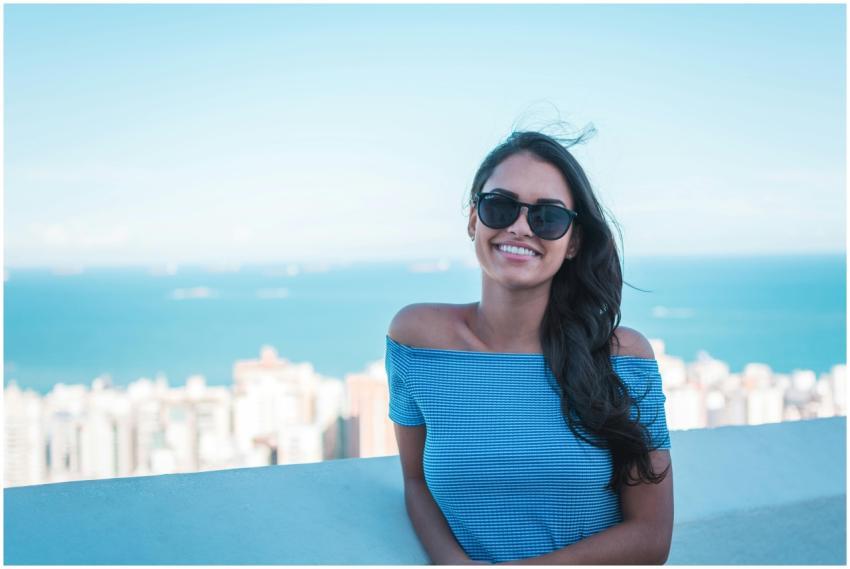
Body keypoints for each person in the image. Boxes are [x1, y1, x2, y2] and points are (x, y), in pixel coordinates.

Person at [385, 129, 673, 565]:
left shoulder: (623, 359)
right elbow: (415, 483)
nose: (520, 226)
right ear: (472, 219)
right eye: (500, 206)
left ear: (573, 241)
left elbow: (651, 538)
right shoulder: (416, 340)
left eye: (548, 217)